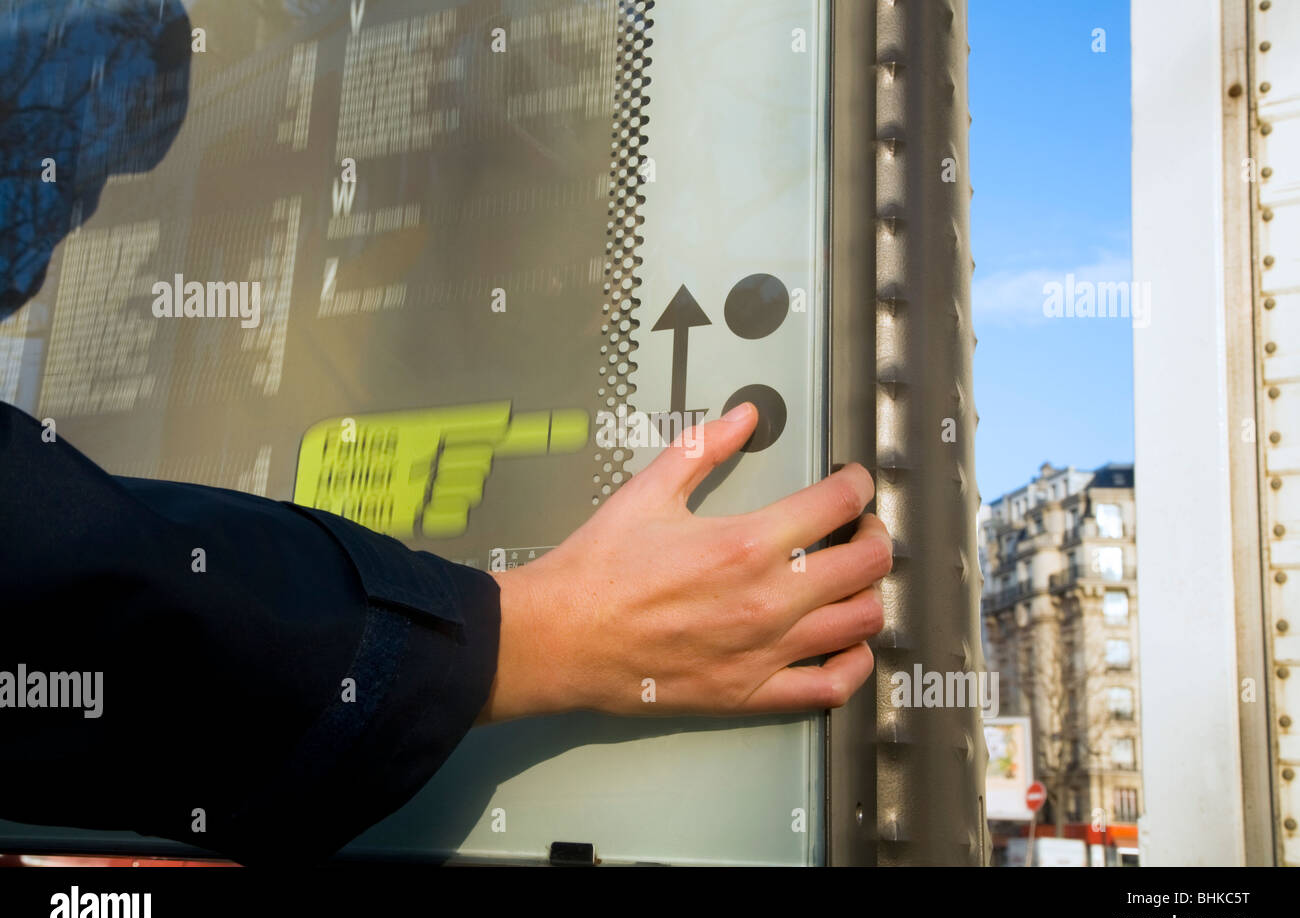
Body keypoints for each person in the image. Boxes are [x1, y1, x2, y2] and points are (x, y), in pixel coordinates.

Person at [0, 0, 891, 864]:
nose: (72, 208)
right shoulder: (343, 325)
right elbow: (74, 583)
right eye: (66, 161)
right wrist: (529, 636)